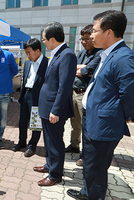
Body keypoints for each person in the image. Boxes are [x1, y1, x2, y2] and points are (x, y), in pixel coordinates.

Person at [67, 10, 134, 200]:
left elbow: (129, 94)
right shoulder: (108, 54)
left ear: (108, 32)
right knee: (90, 163)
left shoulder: (123, 58)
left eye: (95, 31)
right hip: (94, 119)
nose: (91, 35)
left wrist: (124, 116)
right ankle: (87, 193)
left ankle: (94, 196)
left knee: (96, 165)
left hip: (104, 123)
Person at [33, 21, 77, 186]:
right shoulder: (56, 53)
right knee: (48, 139)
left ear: (52, 39)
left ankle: (55, 175)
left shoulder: (67, 55)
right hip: (47, 106)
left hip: (54, 109)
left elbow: (65, 86)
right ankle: (49, 165)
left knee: (55, 142)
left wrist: (56, 110)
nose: (43, 42)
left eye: (44, 39)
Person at [65, 25, 103, 163]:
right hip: (74, 93)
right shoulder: (81, 53)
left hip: (86, 94)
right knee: (74, 123)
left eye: (87, 38)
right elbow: (74, 68)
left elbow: (89, 70)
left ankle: (85, 154)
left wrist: (84, 70)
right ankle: (74, 145)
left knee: (86, 125)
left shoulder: (99, 53)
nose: (84, 41)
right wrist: (83, 69)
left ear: (92, 38)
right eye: (82, 39)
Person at [11, 38, 48, 157]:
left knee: (35, 123)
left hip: (38, 96)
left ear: (37, 51)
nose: (27, 55)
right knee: (22, 121)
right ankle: (22, 142)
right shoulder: (27, 62)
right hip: (26, 94)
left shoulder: (47, 63)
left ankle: (32, 146)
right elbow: (25, 79)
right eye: (26, 52)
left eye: (29, 52)